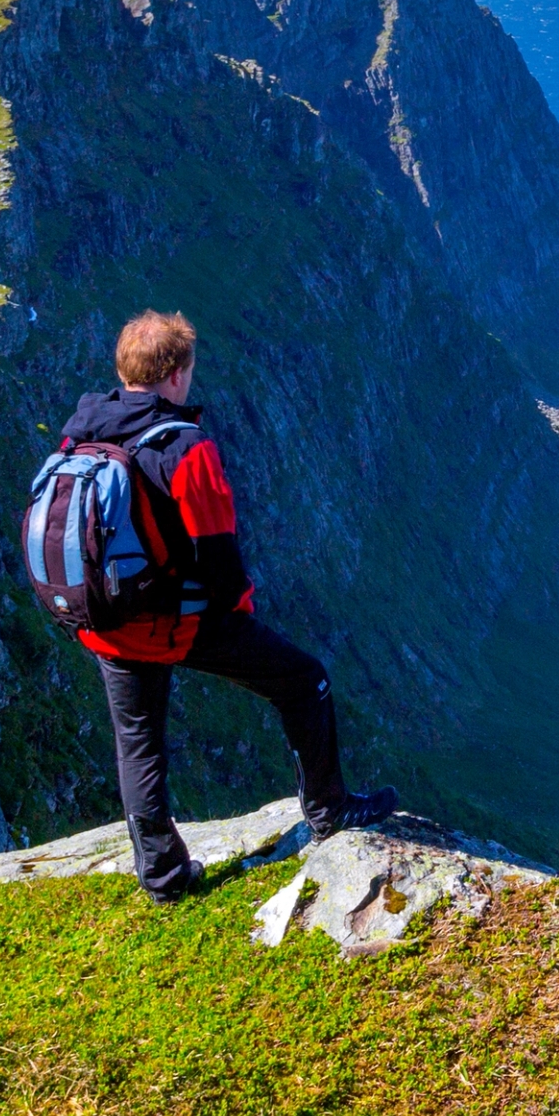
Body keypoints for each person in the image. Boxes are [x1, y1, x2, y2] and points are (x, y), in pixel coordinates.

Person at [62, 310, 395, 901]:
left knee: (138, 745)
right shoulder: (183, 447)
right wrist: (235, 611)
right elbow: (217, 552)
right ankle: (330, 810)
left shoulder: (81, 432)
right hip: (173, 623)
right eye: (187, 368)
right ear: (173, 375)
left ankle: (163, 879)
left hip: (105, 623)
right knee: (305, 681)